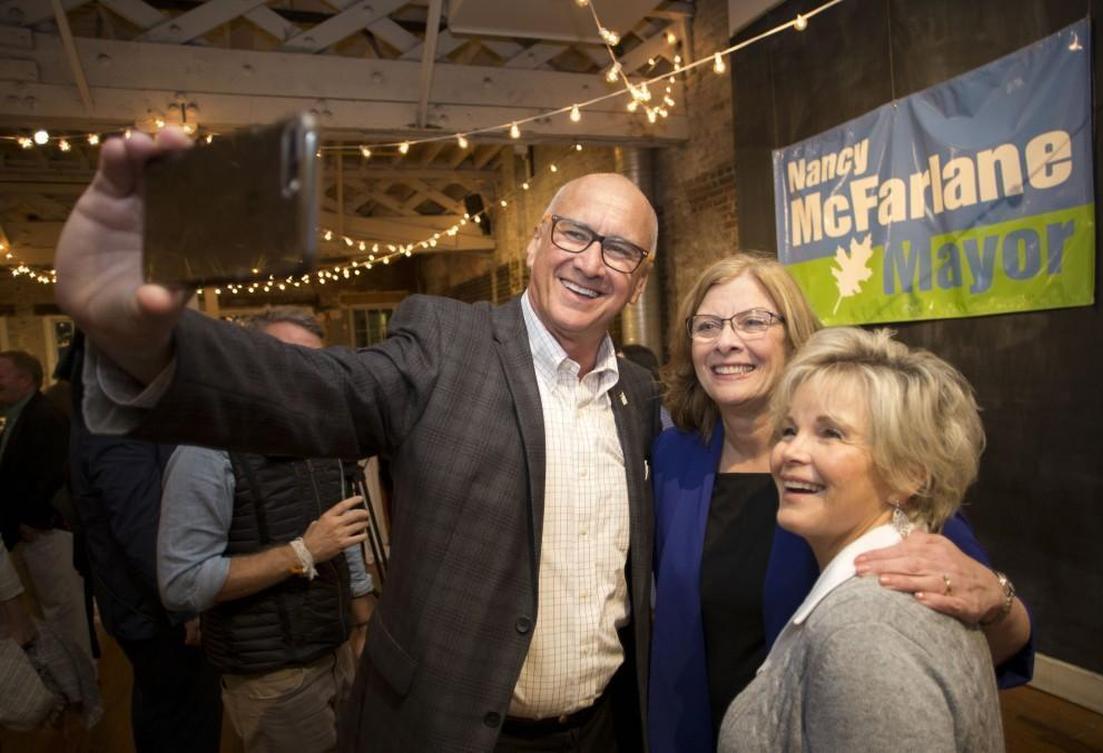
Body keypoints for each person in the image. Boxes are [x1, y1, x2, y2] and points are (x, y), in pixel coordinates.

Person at [53, 127, 661, 752]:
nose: (591, 262)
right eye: (575, 233)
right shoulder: (447, 343)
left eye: (620, 250)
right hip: (454, 732)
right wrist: (150, 345)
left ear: (639, 283)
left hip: (602, 729)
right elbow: (321, 390)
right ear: (538, 241)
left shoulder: (636, 394)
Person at [650, 254, 1031, 752]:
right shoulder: (674, 457)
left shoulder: (869, 474)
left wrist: (999, 599)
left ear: (794, 337)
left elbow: (972, 626)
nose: (726, 341)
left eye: (753, 322)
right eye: (707, 326)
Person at [719, 326, 1003, 752]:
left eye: (831, 433)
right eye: (790, 430)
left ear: (909, 474)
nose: (791, 452)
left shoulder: (867, 632)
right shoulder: (878, 599)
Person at [157, 308, 375, 753]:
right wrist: (302, 552)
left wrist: (364, 622)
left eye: (315, 362)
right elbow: (181, 584)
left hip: (337, 653)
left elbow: (342, 532)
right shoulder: (206, 452)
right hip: (272, 679)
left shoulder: (319, 435)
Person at [59, 332, 223, 753]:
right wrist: (188, 602)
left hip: (153, 604)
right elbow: (142, 526)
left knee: (169, 710)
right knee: (183, 721)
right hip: (157, 610)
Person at [0, 350, 93, 668]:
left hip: (48, 532)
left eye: (1, 375)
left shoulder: (44, 416)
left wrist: (30, 518)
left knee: (64, 612)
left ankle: (83, 683)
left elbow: (53, 474)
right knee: (49, 610)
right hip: (31, 532)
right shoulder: (20, 416)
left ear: (25, 379)